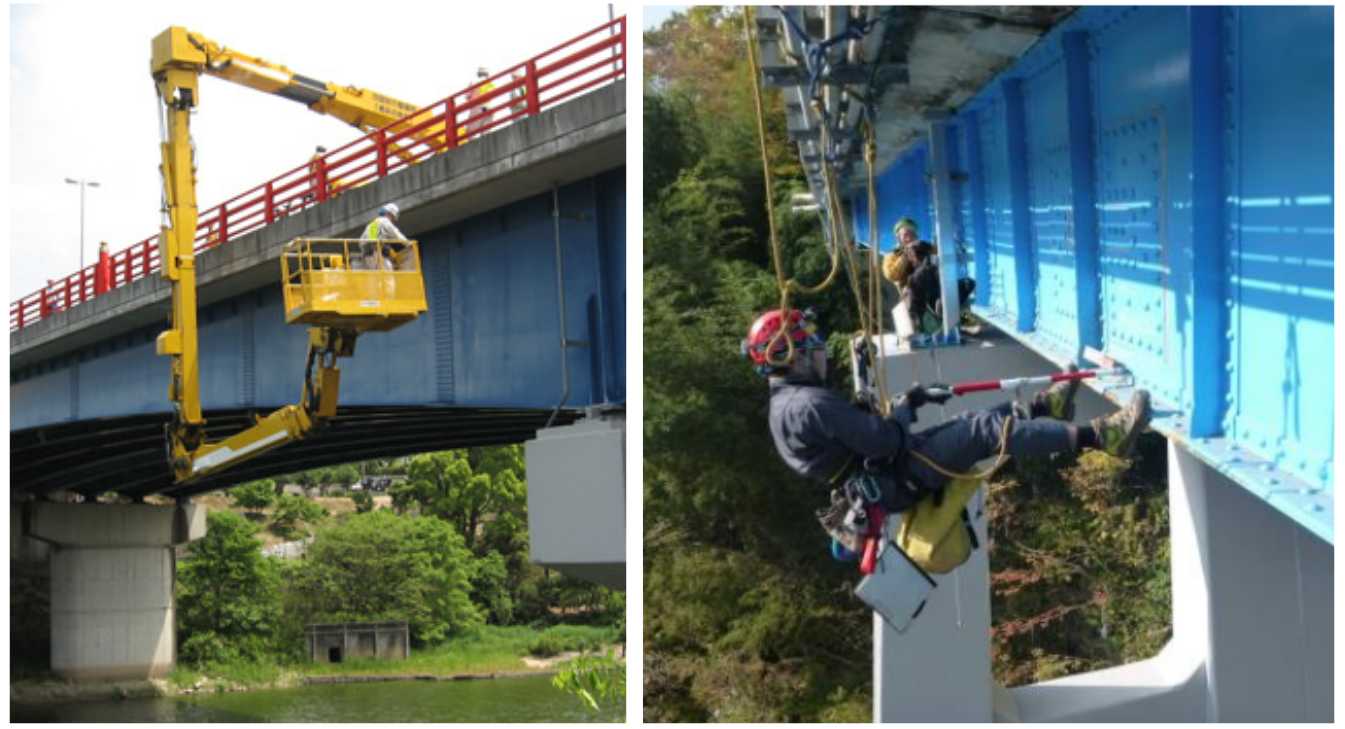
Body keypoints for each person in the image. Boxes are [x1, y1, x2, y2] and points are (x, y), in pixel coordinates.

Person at [743, 307, 1152, 513]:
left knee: (974, 423)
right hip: (895, 474)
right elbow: (884, 441)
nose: (818, 351)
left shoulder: (789, 406)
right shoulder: (809, 404)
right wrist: (905, 408)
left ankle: (1047, 406)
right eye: (808, 344)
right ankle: (1103, 437)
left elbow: (870, 439)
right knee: (982, 431)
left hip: (888, 477)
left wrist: (910, 402)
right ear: (790, 355)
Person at [882, 217, 974, 336]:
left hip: (934, 289)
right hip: (913, 294)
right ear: (898, 238)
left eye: (912, 234)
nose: (909, 237)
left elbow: (943, 254)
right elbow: (891, 274)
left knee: (968, 283)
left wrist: (931, 249)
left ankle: (943, 307)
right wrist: (906, 255)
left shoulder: (923, 247)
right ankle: (933, 311)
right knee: (923, 272)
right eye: (905, 235)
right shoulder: (891, 256)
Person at [360, 203, 408, 270]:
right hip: (376, 253)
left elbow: (362, 242)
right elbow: (397, 235)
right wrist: (409, 244)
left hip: (367, 255)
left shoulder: (373, 224)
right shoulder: (384, 222)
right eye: (393, 218)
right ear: (390, 214)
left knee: (376, 277)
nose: (392, 221)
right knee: (388, 276)